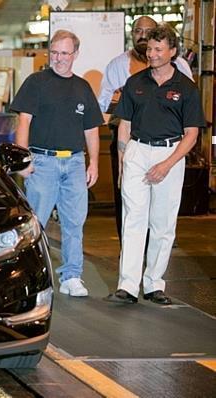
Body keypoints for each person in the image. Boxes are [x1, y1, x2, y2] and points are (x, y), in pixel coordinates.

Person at [104, 24, 205, 305]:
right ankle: (127, 286)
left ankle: (153, 285)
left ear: (173, 52)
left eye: (158, 49)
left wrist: (167, 164)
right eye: (149, 49)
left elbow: (192, 134)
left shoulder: (186, 88)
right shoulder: (136, 83)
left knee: (162, 224)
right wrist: (124, 161)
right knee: (133, 220)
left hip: (170, 155)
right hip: (138, 151)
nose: (152, 54)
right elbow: (125, 124)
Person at [9, 30, 103, 297]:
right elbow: (23, 121)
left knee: (74, 223)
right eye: (55, 52)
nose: (59, 58)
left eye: (65, 53)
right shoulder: (36, 82)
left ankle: (72, 276)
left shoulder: (83, 87)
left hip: (74, 163)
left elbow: (91, 130)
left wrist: (93, 162)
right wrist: (23, 160)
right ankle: (34, 276)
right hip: (42, 163)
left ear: (75, 55)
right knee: (35, 223)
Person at [98, 16, 193, 244]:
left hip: (169, 142)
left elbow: (189, 103)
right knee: (129, 205)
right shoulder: (118, 65)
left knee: (163, 209)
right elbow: (104, 104)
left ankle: (156, 248)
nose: (142, 35)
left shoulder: (180, 67)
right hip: (128, 139)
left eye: (147, 31)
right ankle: (129, 249)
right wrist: (125, 100)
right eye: (137, 31)